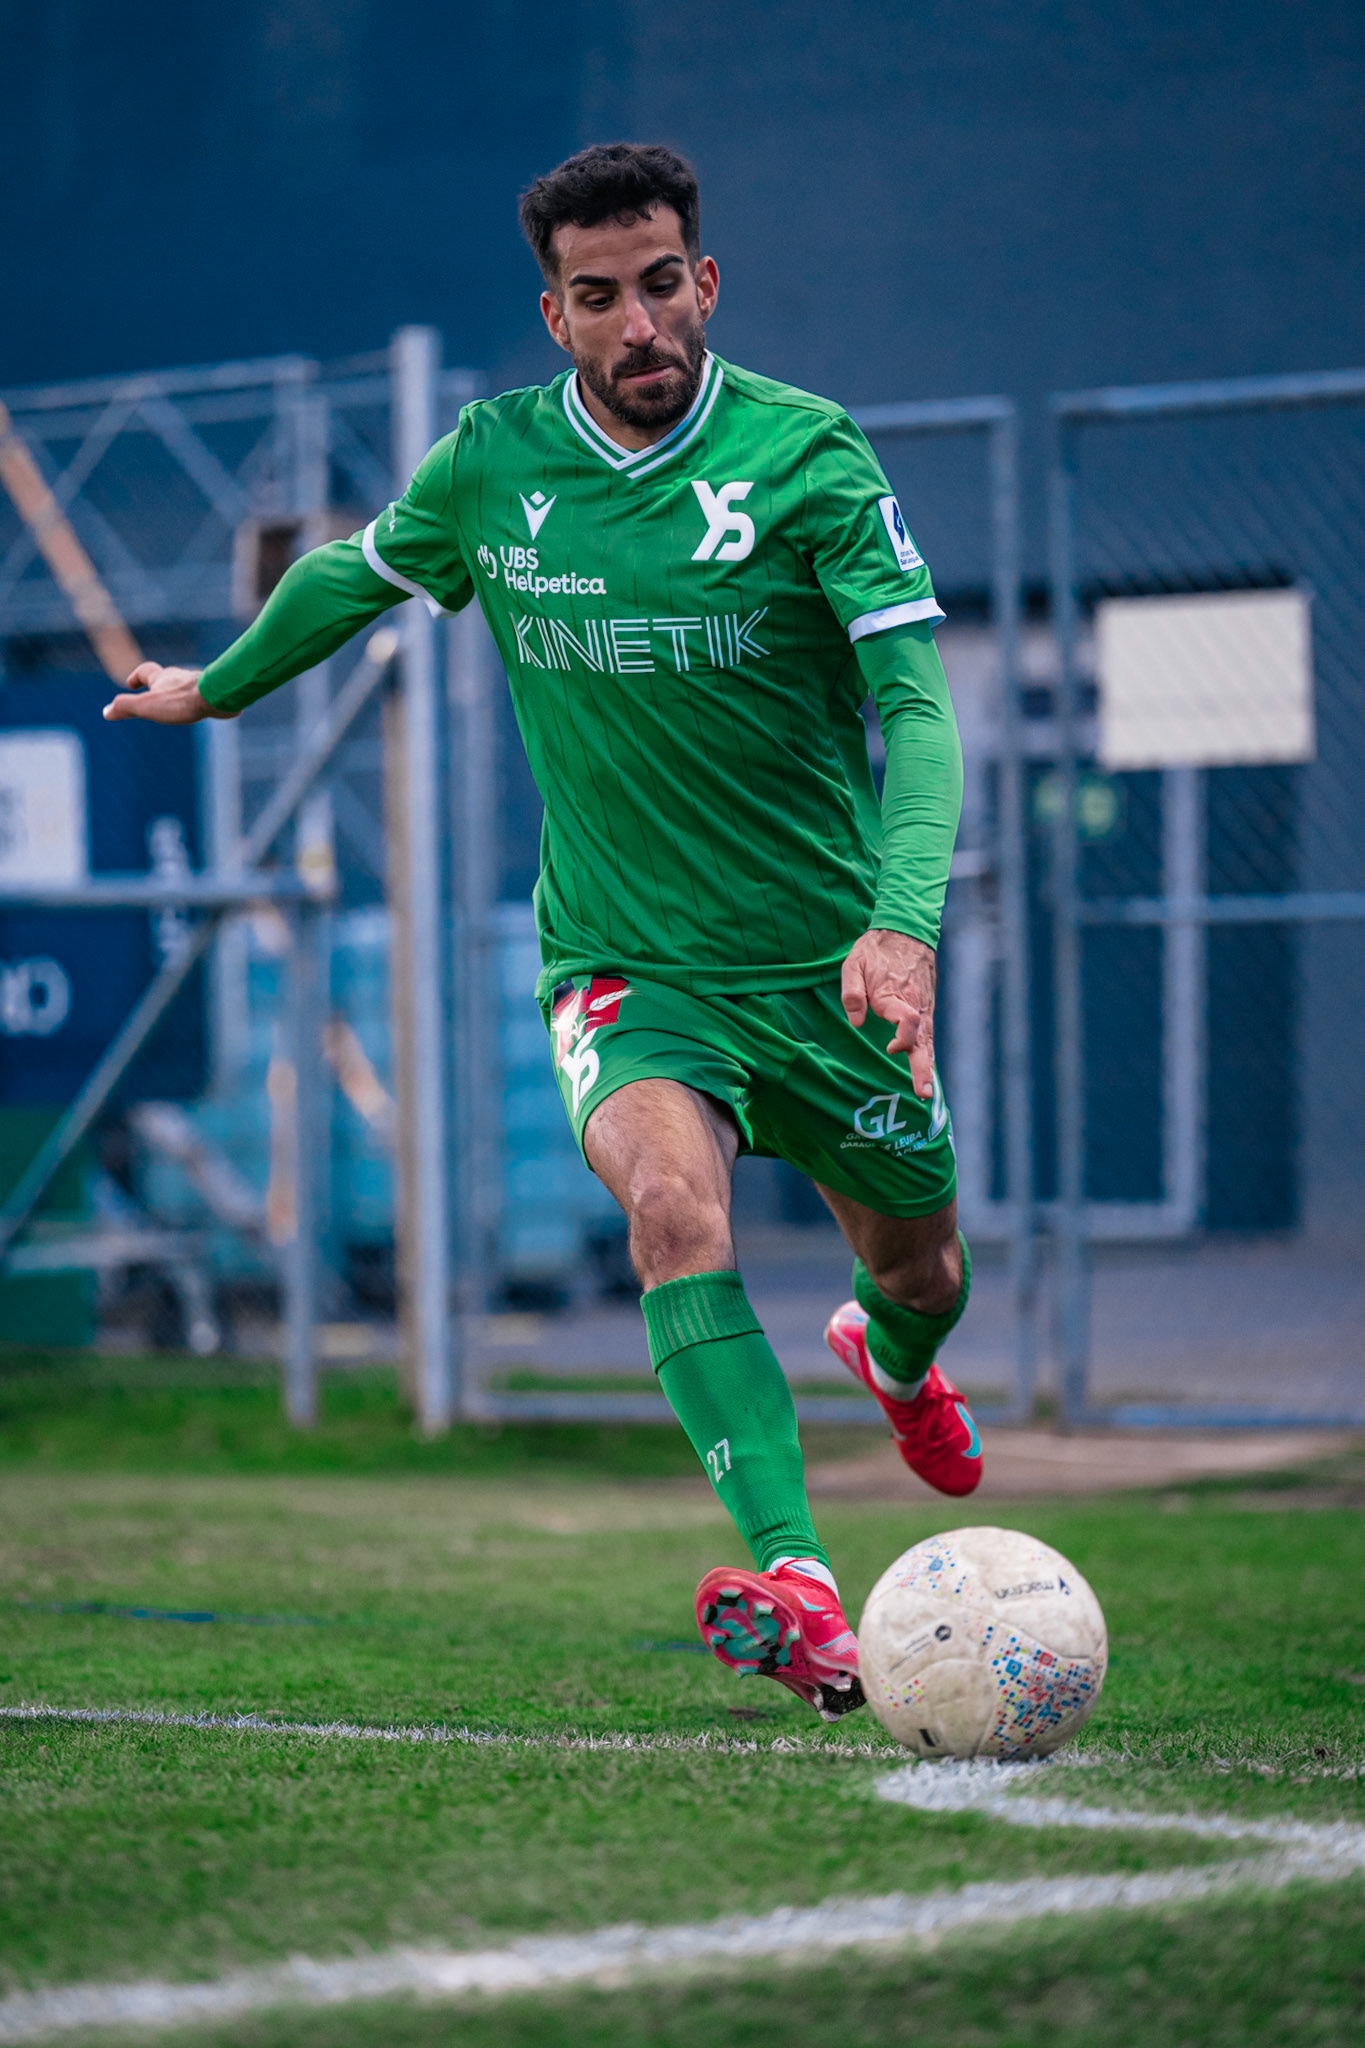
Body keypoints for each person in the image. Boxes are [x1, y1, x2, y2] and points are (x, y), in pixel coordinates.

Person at [105, 142, 981, 1723]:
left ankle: (895, 1362)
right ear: (556, 312)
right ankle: (799, 1582)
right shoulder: (491, 464)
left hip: (827, 970)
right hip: (625, 960)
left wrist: (899, 924)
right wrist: (213, 685)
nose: (638, 323)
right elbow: (354, 571)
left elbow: (916, 712)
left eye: (662, 286)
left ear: (702, 284)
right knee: (668, 1211)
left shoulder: (808, 459)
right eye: (600, 298)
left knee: (920, 1262)